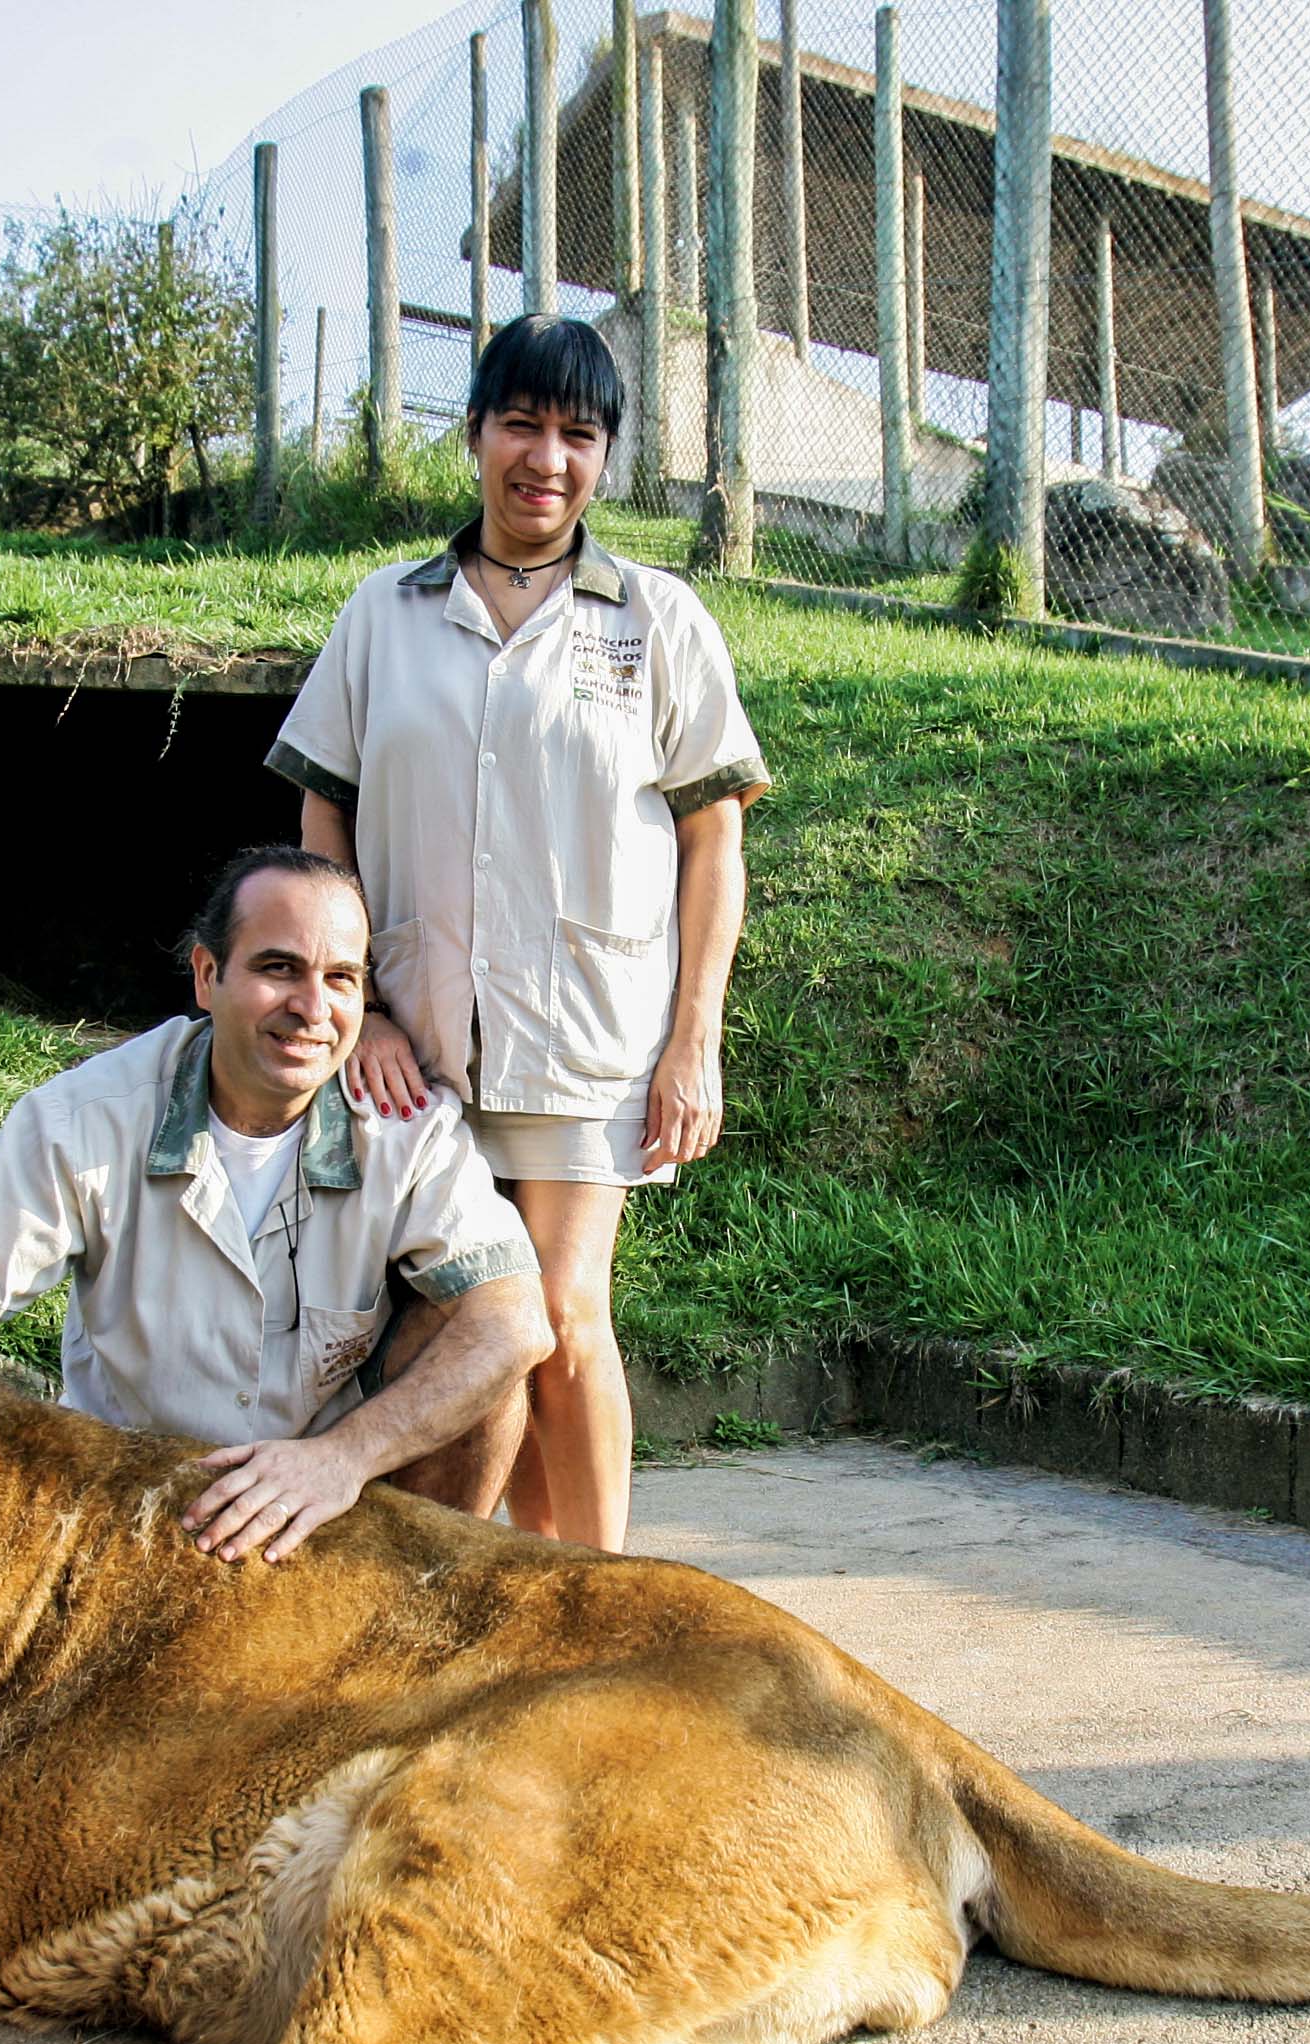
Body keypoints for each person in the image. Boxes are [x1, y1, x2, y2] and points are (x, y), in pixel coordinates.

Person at [266, 314, 767, 1553]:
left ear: (608, 457)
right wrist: (363, 1005)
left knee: (558, 1317)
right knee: (451, 1332)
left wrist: (693, 1039)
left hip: (585, 1042)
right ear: (477, 434)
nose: (547, 456)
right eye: (522, 425)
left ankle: (601, 1604)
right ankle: (509, 1587)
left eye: (578, 434)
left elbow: (714, 840)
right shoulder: (384, 613)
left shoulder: (657, 620)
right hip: (417, 1048)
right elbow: (325, 811)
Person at [0, 846, 552, 1564]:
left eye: (340, 979)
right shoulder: (85, 1119)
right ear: (208, 976)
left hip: (338, 1499)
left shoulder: (406, 1127)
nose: (312, 1009)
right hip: (140, 1498)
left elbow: (515, 1323)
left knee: (478, 1364)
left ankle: (418, 1634)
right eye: (279, 969)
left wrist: (339, 1460)